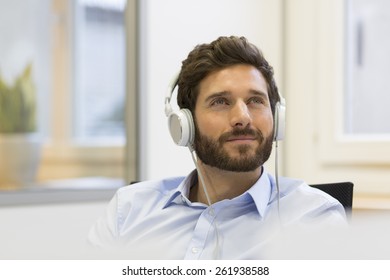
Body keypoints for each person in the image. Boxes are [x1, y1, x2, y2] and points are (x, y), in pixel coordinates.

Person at [88, 36, 346, 259]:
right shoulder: (129, 210)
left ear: (277, 118)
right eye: (220, 102)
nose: (242, 117)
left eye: (256, 100)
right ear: (184, 124)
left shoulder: (314, 218)